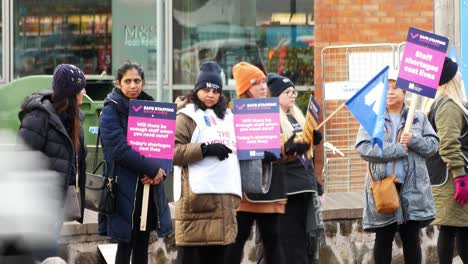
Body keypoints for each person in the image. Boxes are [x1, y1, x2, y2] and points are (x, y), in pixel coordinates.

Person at [355, 71, 438, 264]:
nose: (391, 92)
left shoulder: (418, 117)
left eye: (395, 88)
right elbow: (363, 147)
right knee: (383, 237)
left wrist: (414, 140)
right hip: (383, 187)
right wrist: (397, 149)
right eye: (387, 88)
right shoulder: (372, 118)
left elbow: (433, 146)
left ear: (405, 92)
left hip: (412, 188)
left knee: (411, 238)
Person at [98, 61, 172, 264]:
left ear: (143, 82)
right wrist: (152, 168)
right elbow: (118, 150)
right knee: (125, 243)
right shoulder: (110, 111)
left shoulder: (153, 108)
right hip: (123, 189)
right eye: (128, 81)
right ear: (118, 83)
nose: (133, 86)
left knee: (142, 243)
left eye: (137, 81)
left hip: (149, 189)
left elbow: (165, 148)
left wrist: (161, 172)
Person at [173, 61, 242, 264]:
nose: (211, 94)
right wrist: (204, 149)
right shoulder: (186, 117)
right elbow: (172, 152)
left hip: (224, 203)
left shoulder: (229, 117)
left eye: (215, 90)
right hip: (196, 205)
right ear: (196, 90)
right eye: (205, 89)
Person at [18, 64, 87, 261]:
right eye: (81, 88)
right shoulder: (38, 119)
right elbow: (23, 163)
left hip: (55, 208)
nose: (84, 92)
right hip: (38, 211)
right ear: (70, 93)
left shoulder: (73, 121)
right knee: (45, 257)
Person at [225, 62, 286, 264]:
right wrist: (260, 152)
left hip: (269, 185)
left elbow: (280, 143)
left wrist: (288, 148)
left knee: (274, 240)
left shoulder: (271, 110)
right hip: (244, 188)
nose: (262, 86)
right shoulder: (233, 112)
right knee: (236, 241)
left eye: (263, 82)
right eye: (256, 83)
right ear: (244, 88)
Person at [267, 73, 324, 264]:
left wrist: (312, 141)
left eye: (294, 92)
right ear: (275, 96)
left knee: (305, 241)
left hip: (304, 187)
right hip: (286, 190)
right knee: (290, 244)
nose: (292, 95)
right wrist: (294, 145)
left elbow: (305, 158)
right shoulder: (272, 119)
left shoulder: (297, 118)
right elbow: (277, 151)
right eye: (287, 92)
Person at [424, 57, 468, 264]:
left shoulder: (441, 104)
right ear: (452, 79)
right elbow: (449, 144)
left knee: (454, 229)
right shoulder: (448, 106)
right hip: (452, 180)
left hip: (447, 177)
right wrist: (461, 178)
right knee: (457, 229)